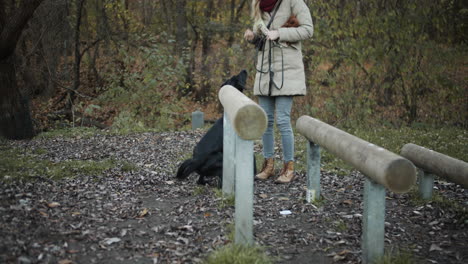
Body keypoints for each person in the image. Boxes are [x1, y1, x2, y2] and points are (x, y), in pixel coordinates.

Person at [244, 0, 313, 183]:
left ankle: (288, 168)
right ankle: (268, 165)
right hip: (265, 72)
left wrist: (280, 33)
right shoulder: (259, 5)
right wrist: (253, 38)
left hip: (287, 72)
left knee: (282, 120)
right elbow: (264, 41)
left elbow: (308, 29)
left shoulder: (293, 2)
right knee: (265, 121)